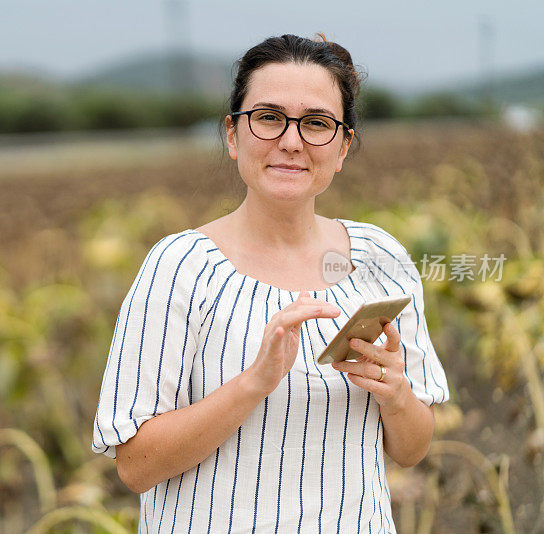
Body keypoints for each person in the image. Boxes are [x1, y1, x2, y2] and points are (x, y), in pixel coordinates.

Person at [91, 33, 449, 533]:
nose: (290, 141)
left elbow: (412, 449)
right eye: (268, 117)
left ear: (343, 147)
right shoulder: (179, 267)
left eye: (317, 124)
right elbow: (135, 464)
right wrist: (254, 382)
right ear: (234, 135)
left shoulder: (381, 258)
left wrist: (396, 395)